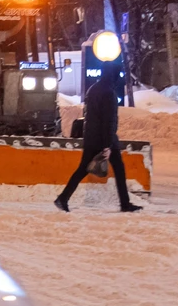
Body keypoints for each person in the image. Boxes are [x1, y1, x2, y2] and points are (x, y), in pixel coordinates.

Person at [55, 61, 143, 213]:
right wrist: (107, 145)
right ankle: (124, 204)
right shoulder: (108, 93)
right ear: (113, 74)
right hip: (103, 139)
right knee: (118, 169)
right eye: (118, 73)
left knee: (84, 169)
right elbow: (108, 120)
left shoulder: (93, 89)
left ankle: (63, 198)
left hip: (91, 137)